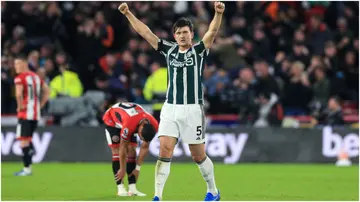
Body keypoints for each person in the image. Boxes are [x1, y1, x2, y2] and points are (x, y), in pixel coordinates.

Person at [118, 1, 225, 201]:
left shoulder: (199, 51)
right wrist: (128, 14)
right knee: (165, 149)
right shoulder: (169, 50)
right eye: (178, 33)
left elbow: (212, 31)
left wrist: (218, 13)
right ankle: (158, 196)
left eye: (186, 32)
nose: (182, 35)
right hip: (170, 109)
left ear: (191, 34)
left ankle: (213, 191)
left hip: (193, 110)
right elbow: (146, 33)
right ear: (174, 35)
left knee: (198, 156)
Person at [102, 102, 158, 196]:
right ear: (140, 129)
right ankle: (120, 188)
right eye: (140, 136)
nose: (140, 139)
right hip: (112, 120)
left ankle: (132, 189)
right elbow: (122, 147)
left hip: (131, 120)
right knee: (116, 150)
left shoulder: (154, 125)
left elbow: (145, 147)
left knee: (132, 151)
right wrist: (122, 169)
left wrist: (137, 169)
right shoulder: (129, 124)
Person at [13, 55, 50, 176]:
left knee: (23, 142)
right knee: (27, 140)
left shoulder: (19, 78)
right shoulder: (36, 77)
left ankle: (27, 169)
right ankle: (30, 154)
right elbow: (47, 90)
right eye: (15, 64)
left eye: (18, 64)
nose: (16, 67)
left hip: (24, 114)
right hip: (35, 114)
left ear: (24, 64)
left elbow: (18, 94)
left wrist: (19, 106)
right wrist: (41, 105)